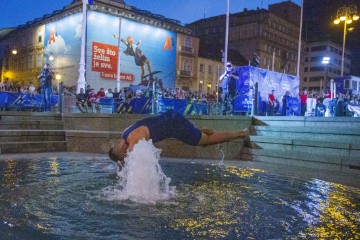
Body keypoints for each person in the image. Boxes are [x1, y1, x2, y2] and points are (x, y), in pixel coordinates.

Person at [108, 109, 250, 169]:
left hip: (176, 125)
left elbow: (143, 165)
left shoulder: (134, 143)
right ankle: (200, 131)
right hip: (170, 118)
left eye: (124, 157)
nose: (126, 157)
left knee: (206, 141)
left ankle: (241, 133)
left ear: (122, 152)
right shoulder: (125, 133)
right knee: (197, 135)